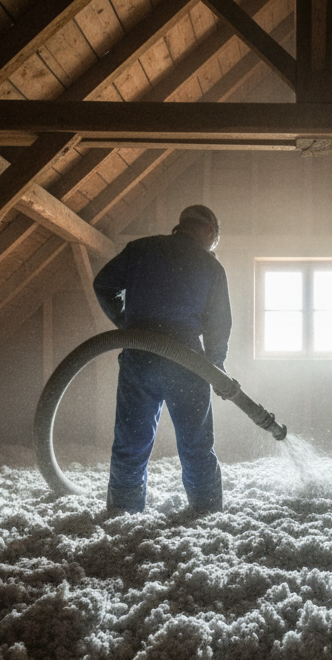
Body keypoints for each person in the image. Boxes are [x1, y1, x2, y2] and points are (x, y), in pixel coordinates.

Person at [93, 205, 232, 514]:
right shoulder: (210, 266)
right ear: (208, 231)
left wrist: (128, 327)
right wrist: (215, 364)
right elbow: (218, 325)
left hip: (141, 357)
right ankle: (206, 514)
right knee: (196, 446)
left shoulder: (140, 248)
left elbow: (103, 285)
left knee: (130, 444)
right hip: (188, 361)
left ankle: (122, 516)